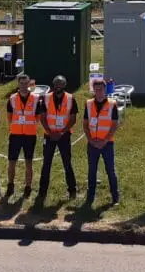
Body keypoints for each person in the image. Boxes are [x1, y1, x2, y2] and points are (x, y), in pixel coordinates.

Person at [35, 75, 78, 205]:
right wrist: (50, 132)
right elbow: (42, 118)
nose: (58, 86)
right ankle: (42, 192)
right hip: (49, 136)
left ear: (65, 85)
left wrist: (62, 132)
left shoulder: (71, 99)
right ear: (53, 85)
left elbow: (73, 119)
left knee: (67, 163)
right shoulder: (45, 98)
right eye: (56, 84)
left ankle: (72, 190)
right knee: (46, 164)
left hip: (64, 136)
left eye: (61, 84)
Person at [83, 78, 120, 206]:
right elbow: (85, 125)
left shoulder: (112, 104)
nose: (98, 92)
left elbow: (114, 125)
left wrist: (105, 140)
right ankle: (90, 195)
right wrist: (90, 140)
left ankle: (115, 196)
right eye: (96, 89)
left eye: (101, 89)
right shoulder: (88, 104)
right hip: (92, 144)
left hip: (107, 143)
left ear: (105, 89)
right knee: (92, 170)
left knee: (110, 170)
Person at [6, 73, 42, 199]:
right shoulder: (12, 98)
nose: (23, 85)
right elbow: (9, 117)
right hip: (15, 135)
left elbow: (38, 118)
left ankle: (28, 186)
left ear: (29, 84)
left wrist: (27, 125)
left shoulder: (36, 99)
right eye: (21, 83)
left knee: (29, 162)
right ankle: (10, 185)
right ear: (18, 84)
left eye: (25, 83)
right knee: (12, 162)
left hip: (30, 135)